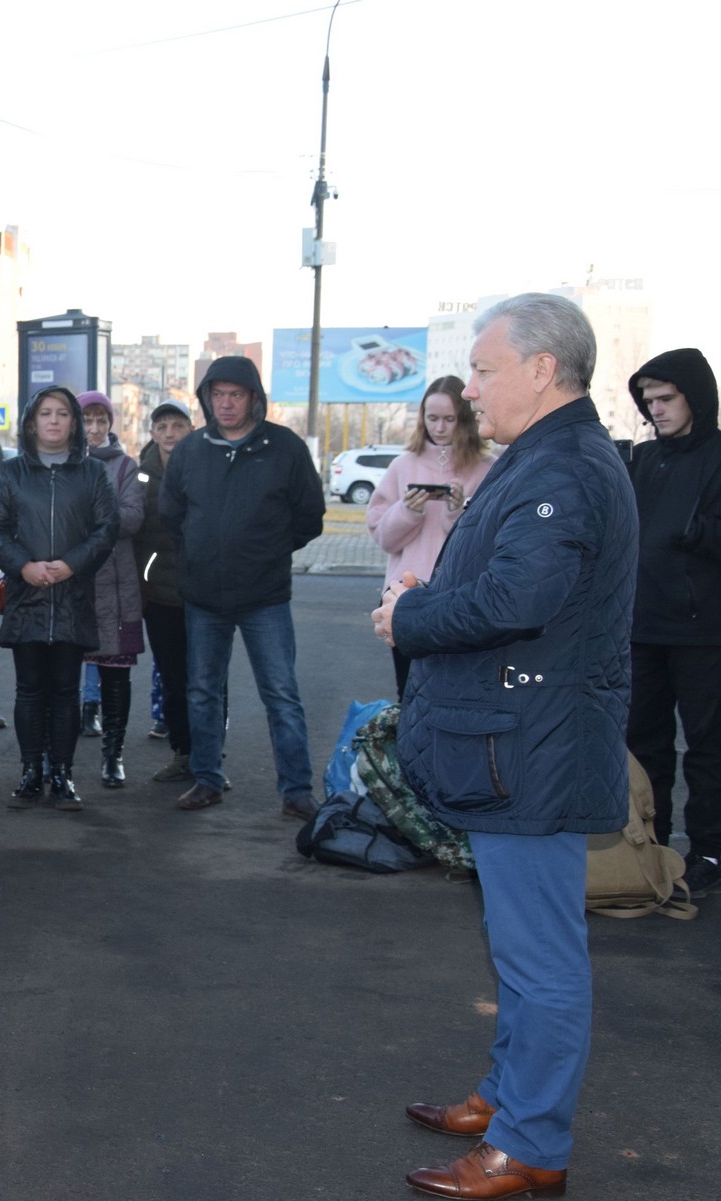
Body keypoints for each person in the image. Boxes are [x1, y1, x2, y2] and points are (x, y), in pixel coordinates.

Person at [374, 293, 634, 1199]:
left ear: (543, 369)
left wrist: (410, 614)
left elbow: (514, 601)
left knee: (541, 959)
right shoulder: (547, 456)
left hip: (533, 748)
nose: (472, 388)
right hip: (523, 743)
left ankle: (530, 1144)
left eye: (485, 370)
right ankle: (511, 1098)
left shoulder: (565, 466)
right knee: (520, 948)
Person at [160, 356, 325, 818]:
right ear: (207, 399)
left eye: (235, 394)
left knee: (281, 695)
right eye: (218, 394)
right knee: (203, 691)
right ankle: (207, 779)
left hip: (264, 597)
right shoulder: (191, 450)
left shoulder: (285, 449)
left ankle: (296, 791)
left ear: (254, 397)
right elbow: (172, 515)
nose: (226, 403)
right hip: (203, 596)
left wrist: (266, 552)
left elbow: (309, 517)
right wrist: (202, 552)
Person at [0, 385, 120, 810]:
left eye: (63, 413)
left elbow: (106, 529)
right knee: (28, 691)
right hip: (27, 595)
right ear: (31, 422)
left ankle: (62, 775)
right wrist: (23, 565)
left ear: (75, 423)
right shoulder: (11, 473)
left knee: (65, 691)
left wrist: (71, 565)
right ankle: (30, 773)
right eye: (46, 413)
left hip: (73, 595)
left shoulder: (93, 473)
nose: (55, 421)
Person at [625, 348, 721, 895]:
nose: (655, 409)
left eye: (665, 398)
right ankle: (649, 844)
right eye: (648, 400)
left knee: (709, 748)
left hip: (705, 630)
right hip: (643, 627)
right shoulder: (644, 461)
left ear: (696, 397)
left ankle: (709, 850)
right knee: (644, 743)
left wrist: (698, 532)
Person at [365, 376, 493, 695]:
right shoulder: (401, 465)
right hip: (404, 596)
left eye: (449, 419)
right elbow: (383, 539)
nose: (439, 427)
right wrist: (408, 511)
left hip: (462, 599)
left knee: (458, 694)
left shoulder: (487, 468)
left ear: (464, 419)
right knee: (408, 693)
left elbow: (488, 543)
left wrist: (456, 511)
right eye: (431, 418)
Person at [77, 391, 146, 788]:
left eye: (101, 420)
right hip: (74, 584)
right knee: (60, 677)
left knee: (116, 677)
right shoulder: (64, 464)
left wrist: (87, 516)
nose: (95, 428)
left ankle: (113, 754)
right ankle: (58, 760)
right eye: (87, 420)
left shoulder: (126, 466)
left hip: (117, 588)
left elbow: (133, 518)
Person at [135, 401, 196, 783]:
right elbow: (133, 529)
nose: (170, 433)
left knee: (209, 681)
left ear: (191, 429)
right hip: (159, 594)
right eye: (163, 426)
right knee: (173, 679)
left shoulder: (207, 465)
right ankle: (182, 752)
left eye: (178, 425)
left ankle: (209, 758)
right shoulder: (140, 473)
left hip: (205, 594)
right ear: (153, 433)